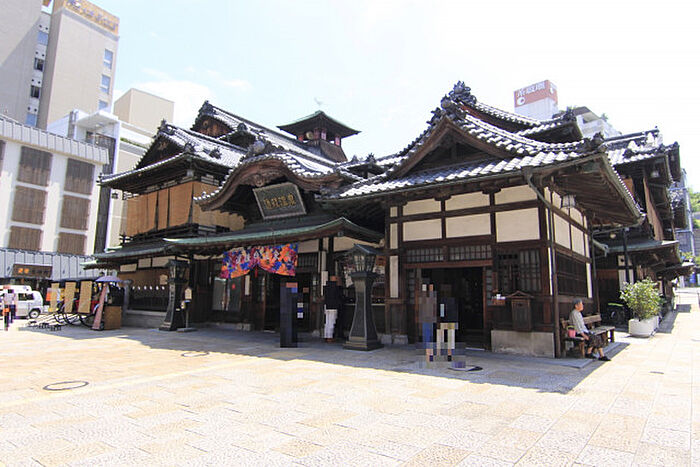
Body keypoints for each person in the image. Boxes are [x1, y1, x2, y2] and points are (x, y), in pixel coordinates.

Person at [323, 277, 342, 342]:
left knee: (327, 322)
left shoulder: (326, 287)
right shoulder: (336, 288)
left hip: (327, 305)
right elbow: (339, 297)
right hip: (333, 306)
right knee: (332, 322)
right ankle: (330, 337)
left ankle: (326, 335)